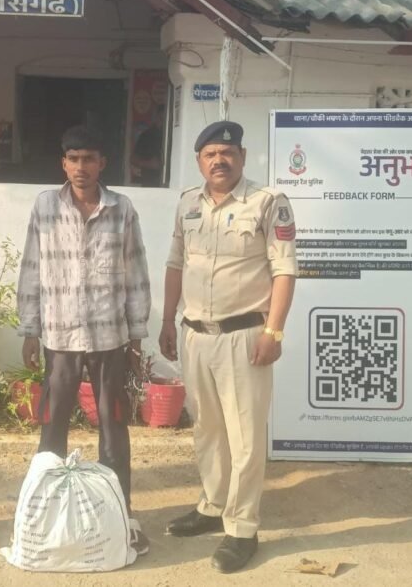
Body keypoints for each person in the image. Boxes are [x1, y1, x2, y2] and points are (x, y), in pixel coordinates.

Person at [160, 120, 297, 573]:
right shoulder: (187, 203)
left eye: (227, 153)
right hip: (196, 335)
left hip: (244, 337)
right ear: (199, 161)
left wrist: (273, 332)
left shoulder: (268, 202)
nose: (219, 161)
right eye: (210, 154)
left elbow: (284, 270)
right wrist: (167, 319)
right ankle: (213, 504)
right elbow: (176, 263)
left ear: (242, 156)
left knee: (245, 437)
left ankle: (242, 527)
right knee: (207, 428)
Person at [17, 125, 152, 555]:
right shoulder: (45, 207)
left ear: (102, 163)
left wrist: (136, 335)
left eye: (89, 159)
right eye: (73, 159)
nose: (81, 167)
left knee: (114, 426)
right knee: (52, 426)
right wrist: (30, 328)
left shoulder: (121, 209)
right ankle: (48, 515)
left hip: (110, 338)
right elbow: (32, 268)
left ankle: (120, 514)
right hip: (59, 337)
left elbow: (135, 272)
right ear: (63, 163)